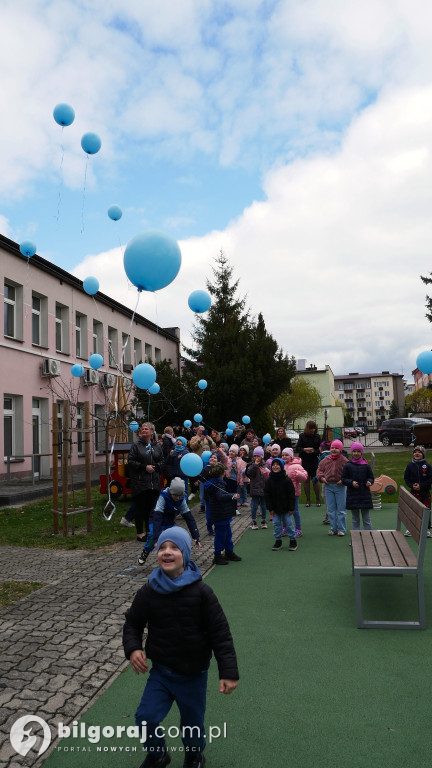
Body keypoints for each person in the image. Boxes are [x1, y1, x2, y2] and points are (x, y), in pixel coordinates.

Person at [123, 527, 239, 768]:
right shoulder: (149, 591)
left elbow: (221, 633)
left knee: (192, 724)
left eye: (174, 548)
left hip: (193, 675)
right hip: (162, 672)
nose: (167, 552)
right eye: (163, 547)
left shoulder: (201, 592)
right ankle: (158, 755)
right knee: (145, 718)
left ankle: (194, 756)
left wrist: (228, 671)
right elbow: (133, 623)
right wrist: (134, 648)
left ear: (185, 554)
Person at [138, 478, 201, 565]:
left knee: (177, 536)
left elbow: (189, 518)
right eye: (175, 495)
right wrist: (156, 540)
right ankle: (146, 551)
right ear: (171, 492)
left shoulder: (181, 499)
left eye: (180, 495)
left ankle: (177, 558)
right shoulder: (163, 497)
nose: (178, 498)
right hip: (156, 519)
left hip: (169, 522)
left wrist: (196, 537)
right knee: (152, 535)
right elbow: (157, 517)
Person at [128, 423, 164, 545]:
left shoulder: (157, 446)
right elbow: (131, 461)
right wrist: (144, 467)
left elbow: (162, 461)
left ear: (152, 432)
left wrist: (156, 467)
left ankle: (150, 530)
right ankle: (140, 533)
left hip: (154, 482)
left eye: (146, 429)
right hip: (140, 482)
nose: (143, 430)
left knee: (151, 508)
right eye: (142, 429)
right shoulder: (136, 445)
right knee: (140, 508)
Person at [204, 462, 242, 565]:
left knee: (227, 534)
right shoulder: (218, 484)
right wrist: (232, 496)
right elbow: (220, 497)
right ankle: (217, 555)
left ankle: (229, 552)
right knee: (221, 535)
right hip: (220, 513)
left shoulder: (213, 483)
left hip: (222, 513)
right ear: (222, 473)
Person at [264, 458, 297, 551]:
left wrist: (291, 507)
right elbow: (267, 495)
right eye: (273, 464)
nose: (275, 466)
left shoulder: (287, 480)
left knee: (289, 524)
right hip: (275, 508)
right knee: (276, 524)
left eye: (277, 464)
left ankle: (292, 540)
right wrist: (270, 508)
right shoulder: (269, 481)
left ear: (282, 467)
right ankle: (278, 541)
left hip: (286, 508)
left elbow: (291, 494)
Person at [316, 439, 348, 536]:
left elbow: (348, 473)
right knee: (331, 508)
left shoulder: (344, 461)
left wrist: (343, 480)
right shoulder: (325, 460)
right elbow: (319, 470)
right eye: (332, 448)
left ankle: (341, 529)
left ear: (341, 450)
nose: (334, 450)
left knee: (341, 509)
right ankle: (333, 528)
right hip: (328, 486)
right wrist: (321, 477)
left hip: (340, 487)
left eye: (336, 448)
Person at [341, 442, 374, 531]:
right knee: (355, 519)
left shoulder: (366, 465)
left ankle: (369, 536)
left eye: (358, 451)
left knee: (366, 518)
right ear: (352, 452)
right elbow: (343, 479)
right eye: (354, 451)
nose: (356, 453)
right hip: (353, 496)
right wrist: (351, 483)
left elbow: (371, 477)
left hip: (364, 495)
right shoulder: (348, 465)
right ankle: (356, 538)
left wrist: (369, 482)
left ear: (361, 452)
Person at [403, 445, 432, 537]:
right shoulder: (410, 465)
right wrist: (412, 485)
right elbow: (406, 478)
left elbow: (430, 479)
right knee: (413, 509)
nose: (417, 453)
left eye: (419, 452)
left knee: (426, 510)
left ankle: (426, 529)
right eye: (415, 452)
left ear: (423, 454)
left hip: (425, 492)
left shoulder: (427, 466)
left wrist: (422, 486)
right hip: (414, 492)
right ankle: (411, 528)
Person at [281, 447, 308, 537]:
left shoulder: (297, 466)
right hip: (283, 493)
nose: (284, 457)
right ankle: (284, 527)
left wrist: (299, 474)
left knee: (295, 510)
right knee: (284, 510)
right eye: (283, 455)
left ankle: (298, 529)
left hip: (294, 492)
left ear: (291, 456)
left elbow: (304, 477)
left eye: (286, 455)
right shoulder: (281, 465)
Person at [296, 421, 322, 507]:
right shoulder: (302, 436)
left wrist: (314, 450)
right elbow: (298, 448)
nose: (312, 430)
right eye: (311, 428)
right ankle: (308, 500)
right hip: (305, 461)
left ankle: (318, 499)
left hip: (314, 460)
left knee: (315, 480)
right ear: (307, 428)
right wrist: (304, 449)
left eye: (314, 428)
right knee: (306, 481)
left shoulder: (317, 437)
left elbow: (320, 450)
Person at [245, 447, 269, 529]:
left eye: (258, 456)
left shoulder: (265, 465)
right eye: (255, 456)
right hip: (254, 488)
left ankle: (263, 520)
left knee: (263, 505)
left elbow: (268, 476)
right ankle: (254, 521)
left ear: (262, 456)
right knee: (254, 505)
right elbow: (249, 473)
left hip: (263, 488)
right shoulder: (251, 465)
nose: (256, 458)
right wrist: (255, 465)